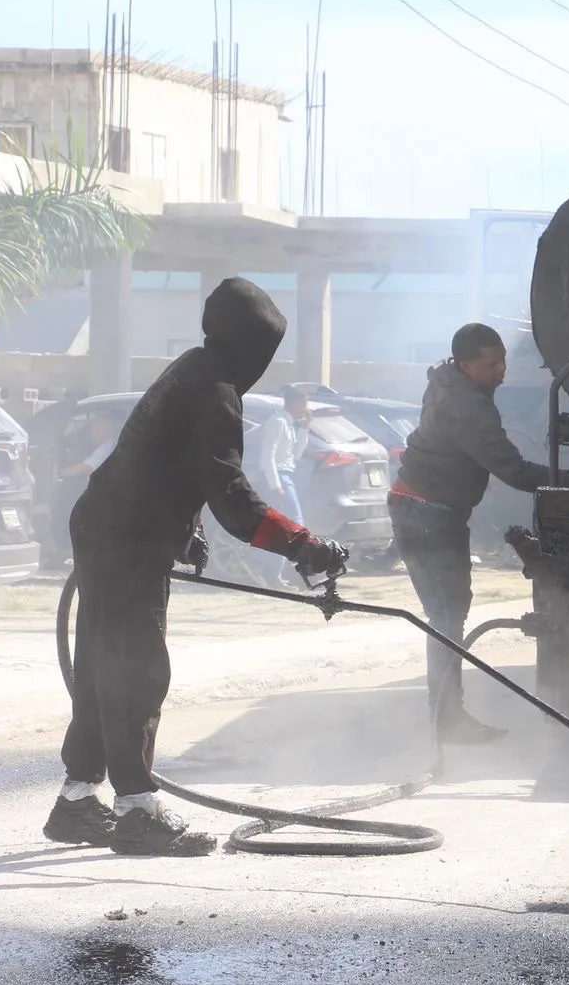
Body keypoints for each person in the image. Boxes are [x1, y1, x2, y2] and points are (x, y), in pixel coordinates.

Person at [44, 277, 348, 858]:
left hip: (106, 523)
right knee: (136, 670)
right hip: (128, 538)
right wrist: (302, 544)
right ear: (252, 345)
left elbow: (170, 462)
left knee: (102, 665)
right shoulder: (217, 392)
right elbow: (231, 495)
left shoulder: (191, 367)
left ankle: (77, 800)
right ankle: (137, 812)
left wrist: (189, 530)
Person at [390, 322, 569, 744]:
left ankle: (447, 716)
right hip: (427, 514)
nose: (502, 370)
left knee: (448, 613)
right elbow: (514, 471)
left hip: (424, 509)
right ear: (467, 366)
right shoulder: (467, 406)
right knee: (446, 617)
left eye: (503, 359)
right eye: (491, 364)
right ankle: (447, 720)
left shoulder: (448, 382)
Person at [255, 386, 312, 587]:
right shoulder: (278, 422)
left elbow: (295, 455)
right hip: (278, 477)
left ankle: (269, 570)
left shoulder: (289, 423)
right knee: (291, 524)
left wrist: (304, 428)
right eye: (304, 402)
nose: (306, 407)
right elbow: (268, 455)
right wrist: (275, 485)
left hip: (286, 475)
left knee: (283, 526)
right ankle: (267, 569)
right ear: (295, 403)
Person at [51, 412, 117, 564]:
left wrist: (59, 473)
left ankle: (72, 553)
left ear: (104, 427)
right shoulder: (110, 444)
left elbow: (87, 467)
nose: (92, 431)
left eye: (95, 426)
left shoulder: (110, 445)